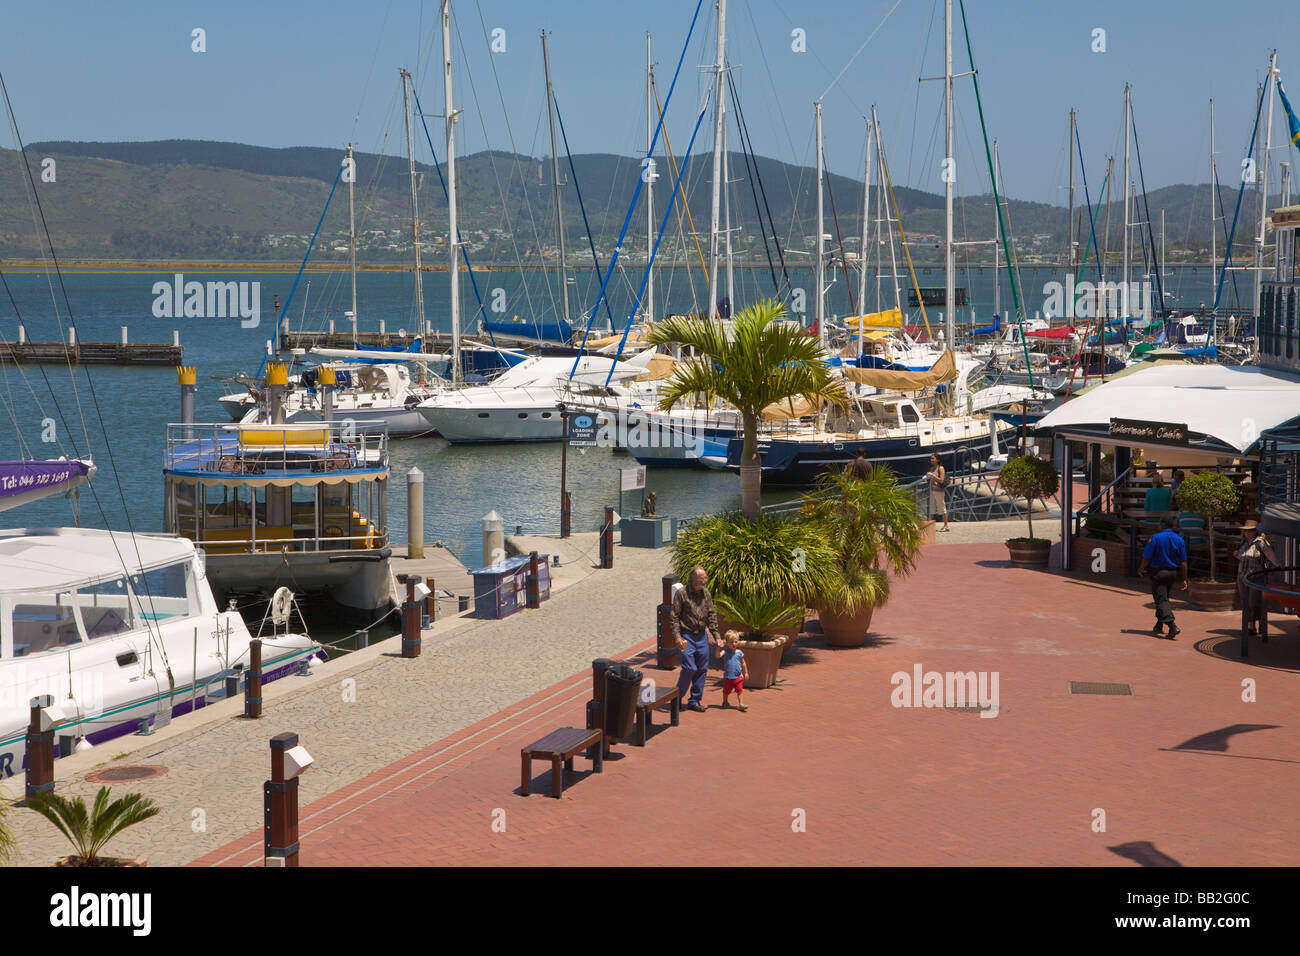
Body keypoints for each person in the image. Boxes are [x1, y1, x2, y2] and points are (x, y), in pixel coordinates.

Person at [671, 565, 719, 712]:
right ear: (694, 579)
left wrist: (717, 637)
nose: (705, 580)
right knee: (689, 668)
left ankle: (695, 700)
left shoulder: (706, 594)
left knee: (702, 669)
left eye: (705, 578)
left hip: (702, 636)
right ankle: (677, 697)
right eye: (702, 578)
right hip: (687, 636)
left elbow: (711, 615)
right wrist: (677, 637)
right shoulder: (682, 594)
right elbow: (674, 617)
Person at [1137, 514, 1189, 639]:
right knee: (1164, 598)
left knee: (1161, 600)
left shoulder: (1155, 538)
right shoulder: (1179, 539)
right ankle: (1159, 625)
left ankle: (1172, 626)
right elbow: (1183, 562)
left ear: (1162, 525)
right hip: (1172, 573)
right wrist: (1183, 579)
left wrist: (1141, 569)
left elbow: (1147, 557)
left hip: (1158, 573)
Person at [1235, 528, 1279, 636]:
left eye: (1250, 530)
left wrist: (1277, 564)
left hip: (1256, 577)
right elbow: (1242, 556)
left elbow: (1269, 554)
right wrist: (1237, 555)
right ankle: (1251, 626)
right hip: (1242, 577)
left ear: (1256, 531)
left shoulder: (1261, 542)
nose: (1247, 533)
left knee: (1255, 602)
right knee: (1245, 602)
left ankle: (1261, 626)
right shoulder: (1244, 543)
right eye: (1246, 531)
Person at [719, 631, 749, 711]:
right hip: (728, 677)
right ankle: (725, 702)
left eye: (736, 642)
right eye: (731, 642)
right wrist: (718, 648)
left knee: (740, 690)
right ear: (727, 643)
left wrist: (746, 672)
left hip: (738, 677)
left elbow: (743, 663)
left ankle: (741, 704)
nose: (734, 644)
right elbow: (717, 656)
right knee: (726, 691)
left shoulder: (739, 653)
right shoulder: (725, 651)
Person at [925, 454, 950, 532]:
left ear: (938, 460)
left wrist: (932, 475)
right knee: (931, 507)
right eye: (931, 459)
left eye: (933, 458)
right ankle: (929, 525)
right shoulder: (932, 468)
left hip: (939, 491)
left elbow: (941, 480)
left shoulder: (941, 468)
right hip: (932, 490)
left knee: (941, 507)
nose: (931, 460)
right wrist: (927, 477)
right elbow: (930, 480)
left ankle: (946, 525)